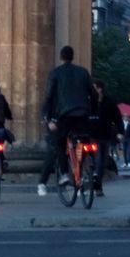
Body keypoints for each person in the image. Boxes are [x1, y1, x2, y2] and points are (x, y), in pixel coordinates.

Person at [37, 46, 94, 197]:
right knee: (84, 138)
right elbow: (93, 94)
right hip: (83, 113)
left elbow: (48, 97)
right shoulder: (83, 72)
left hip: (65, 115)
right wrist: (93, 111)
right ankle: (89, 165)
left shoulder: (55, 73)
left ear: (61, 58)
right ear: (73, 57)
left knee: (60, 143)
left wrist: (46, 118)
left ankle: (64, 174)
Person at [91, 80, 124, 197]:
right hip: (92, 135)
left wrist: (120, 132)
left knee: (103, 162)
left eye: (94, 88)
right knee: (98, 158)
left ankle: (98, 185)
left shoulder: (109, 102)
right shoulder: (89, 101)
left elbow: (117, 117)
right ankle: (93, 179)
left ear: (100, 89)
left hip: (105, 135)